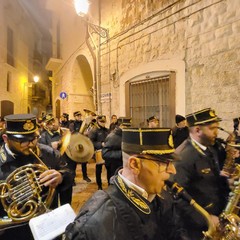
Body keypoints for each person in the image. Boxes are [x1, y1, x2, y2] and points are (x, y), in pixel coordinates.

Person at [65, 127, 189, 240]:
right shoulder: (95, 221)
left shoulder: (163, 197)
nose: (173, 170)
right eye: (164, 163)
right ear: (134, 165)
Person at [0, 114, 74, 240]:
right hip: (13, 231)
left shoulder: (48, 153)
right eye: (23, 141)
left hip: (47, 226)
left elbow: (69, 173)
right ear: (6, 138)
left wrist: (61, 176)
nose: (30, 144)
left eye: (34, 138)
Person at [173, 108, 230, 240]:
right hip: (196, 229)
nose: (216, 132)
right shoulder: (183, 157)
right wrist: (207, 220)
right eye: (212, 128)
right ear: (198, 130)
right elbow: (177, 198)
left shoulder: (210, 148)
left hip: (216, 216)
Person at [102, 117, 132, 183]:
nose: (128, 128)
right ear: (120, 126)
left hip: (124, 166)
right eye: (126, 126)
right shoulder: (112, 137)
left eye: (129, 126)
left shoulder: (126, 135)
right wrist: (122, 154)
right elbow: (105, 154)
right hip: (114, 167)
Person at [69, 111, 91, 182]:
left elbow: (87, 130)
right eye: (78, 116)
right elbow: (72, 133)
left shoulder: (82, 123)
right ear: (75, 117)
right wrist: (80, 133)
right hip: (75, 144)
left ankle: (85, 176)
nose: (79, 117)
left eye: (80, 116)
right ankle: (72, 179)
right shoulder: (72, 124)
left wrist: (87, 133)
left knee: (84, 161)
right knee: (74, 163)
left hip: (82, 144)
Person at [88, 115, 109, 189]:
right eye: (101, 122)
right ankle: (99, 185)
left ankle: (109, 183)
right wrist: (100, 144)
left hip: (107, 152)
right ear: (98, 121)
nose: (103, 123)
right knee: (98, 170)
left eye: (104, 122)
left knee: (109, 168)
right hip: (98, 152)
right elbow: (91, 142)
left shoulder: (107, 130)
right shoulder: (94, 131)